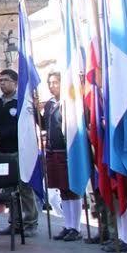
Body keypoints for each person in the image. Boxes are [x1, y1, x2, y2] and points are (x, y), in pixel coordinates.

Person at [0, 69, 40, 238]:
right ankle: (15, 222)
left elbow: (36, 122)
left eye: (5, 80)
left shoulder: (22, 102)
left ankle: (30, 222)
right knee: (9, 190)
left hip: (21, 151)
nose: (2, 83)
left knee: (24, 188)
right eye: (0, 81)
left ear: (15, 82)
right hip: (4, 152)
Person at [43, 71, 82, 242]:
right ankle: (68, 225)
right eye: (50, 83)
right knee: (62, 189)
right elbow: (44, 125)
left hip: (66, 150)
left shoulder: (69, 101)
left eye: (55, 82)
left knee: (72, 189)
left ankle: (76, 227)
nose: (52, 86)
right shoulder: (49, 105)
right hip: (52, 150)